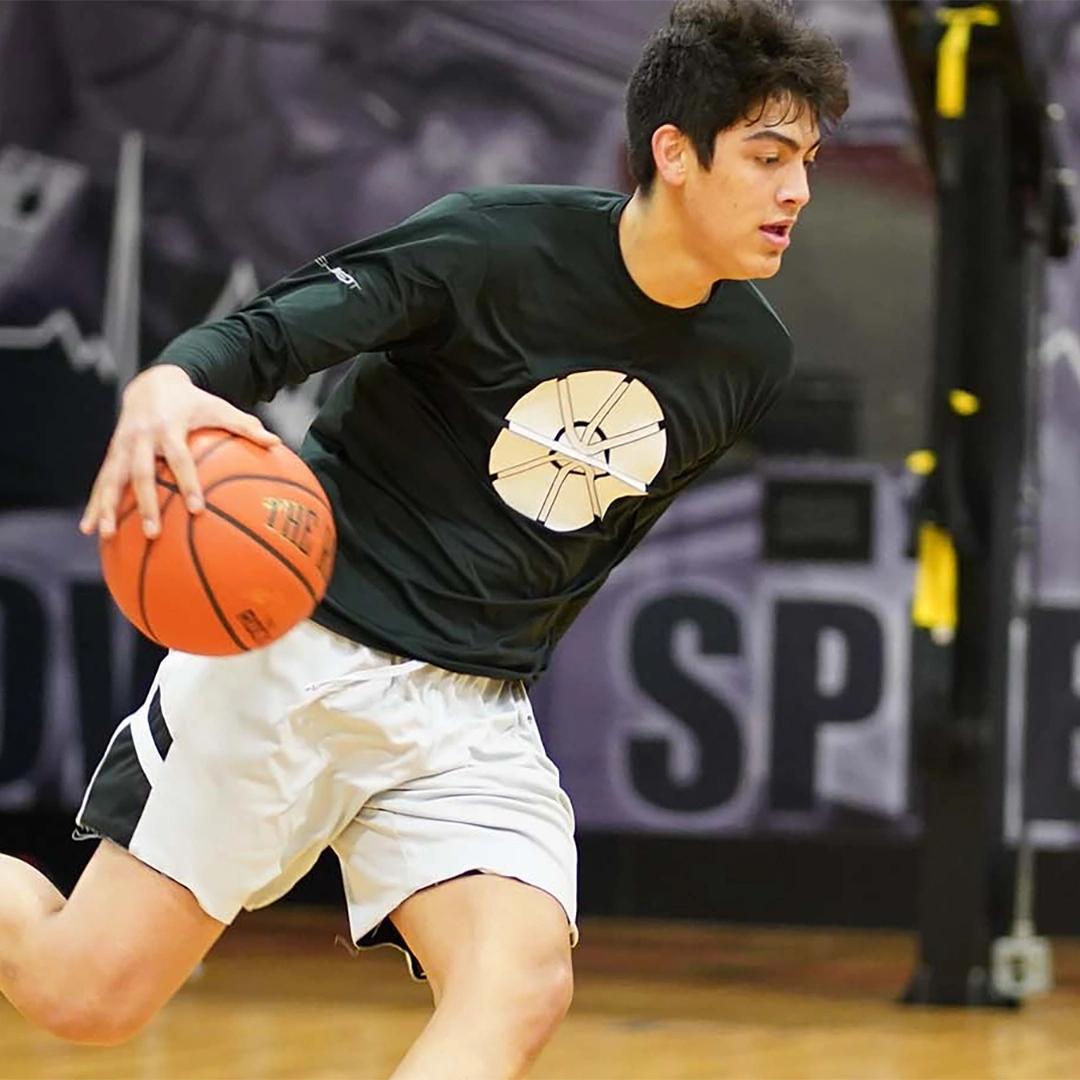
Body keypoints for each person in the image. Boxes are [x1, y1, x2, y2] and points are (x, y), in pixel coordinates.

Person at [0, 2, 847, 1076]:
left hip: (466, 714)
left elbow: (570, 538)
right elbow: (273, 332)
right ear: (675, 153)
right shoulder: (494, 243)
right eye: (770, 157)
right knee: (86, 996)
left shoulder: (748, 359)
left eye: (809, 161)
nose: (798, 193)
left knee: (522, 980)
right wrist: (172, 383)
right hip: (295, 656)